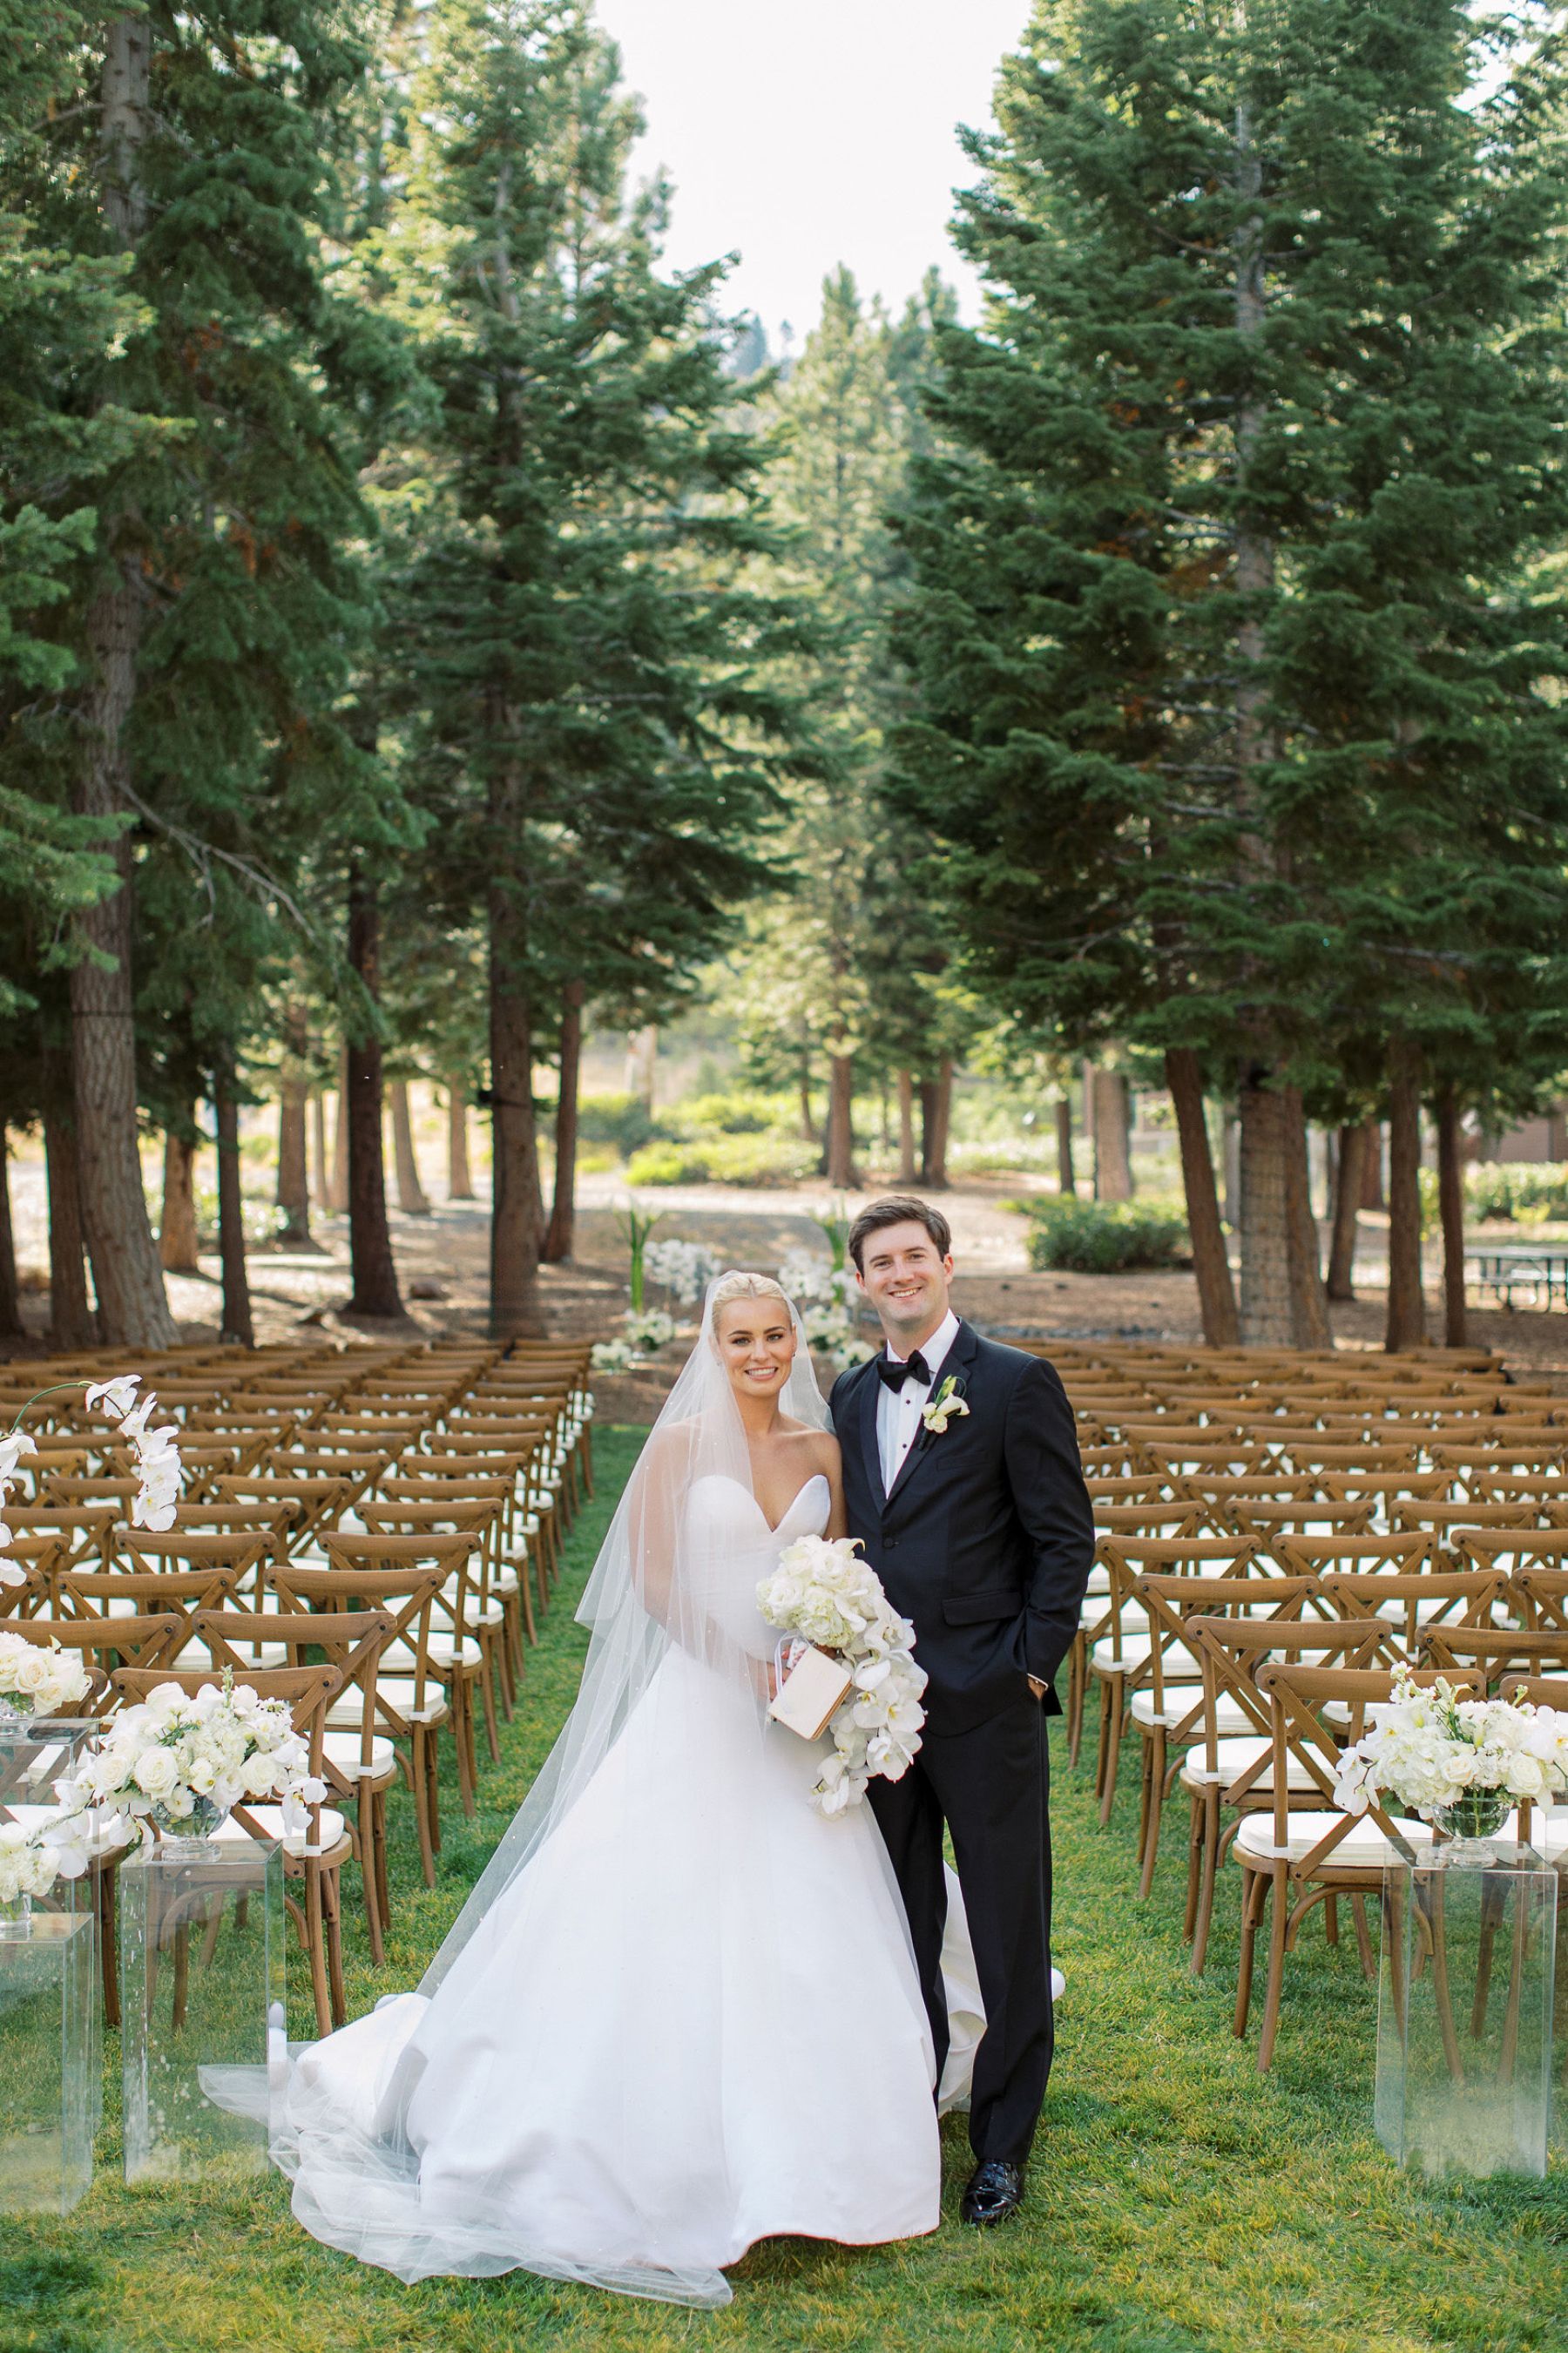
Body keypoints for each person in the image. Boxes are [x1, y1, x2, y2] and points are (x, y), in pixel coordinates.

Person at [271, 1271, 982, 2308]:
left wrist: (831, 1662)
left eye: (774, 1335)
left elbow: (841, 1578)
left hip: (798, 1720)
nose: (758, 1354)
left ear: (796, 1340)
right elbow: (653, 1582)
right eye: (738, 1337)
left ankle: (817, 2154)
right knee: (662, 1916)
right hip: (703, 1703)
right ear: (713, 1344)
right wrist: (741, 1668)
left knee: (813, 1915)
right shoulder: (682, 1449)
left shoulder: (822, 1448)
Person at [829, 1197, 1093, 2228]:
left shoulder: (1017, 1382)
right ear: (859, 1279)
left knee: (1006, 1923)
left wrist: (1026, 1670)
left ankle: (1004, 2144)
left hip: (987, 1702)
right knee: (901, 1920)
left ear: (947, 1263)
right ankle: (912, 2100)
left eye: (913, 1256)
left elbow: (1065, 1540)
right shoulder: (853, 1393)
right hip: (880, 1716)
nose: (898, 1274)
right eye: (878, 1261)